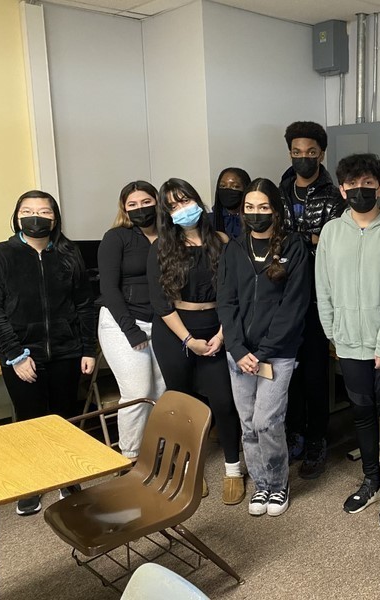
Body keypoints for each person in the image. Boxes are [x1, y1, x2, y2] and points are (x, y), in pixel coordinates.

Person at [0, 190, 96, 516]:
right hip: (21, 355)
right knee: (29, 422)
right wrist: (15, 354)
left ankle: (66, 477)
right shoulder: (1, 254)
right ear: (17, 217)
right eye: (28, 211)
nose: (36, 217)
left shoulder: (69, 253)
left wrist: (88, 349)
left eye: (44, 211)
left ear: (55, 218)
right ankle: (33, 482)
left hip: (66, 351)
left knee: (64, 418)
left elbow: (85, 305)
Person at [316, 153, 380, 529]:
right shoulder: (331, 232)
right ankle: (371, 479)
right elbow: (323, 286)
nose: (361, 190)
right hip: (348, 342)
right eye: (353, 185)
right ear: (342, 190)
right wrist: (333, 332)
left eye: (368, 184)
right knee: (361, 413)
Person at [147, 178, 244, 505]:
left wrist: (221, 335)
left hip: (217, 328)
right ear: (166, 213)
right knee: (183, 405)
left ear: (198, 201)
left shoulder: (223, 242)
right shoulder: (161, 248)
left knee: (224, 402)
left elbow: (235, 294)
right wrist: (189, 340)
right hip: (175, 332)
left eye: (185, 200)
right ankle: (190, 468)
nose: (182, 209)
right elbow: (161, 304)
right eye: (173, 205)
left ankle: (233, 469)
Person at [218, 178, 310, 517]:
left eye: (263, 207)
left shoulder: (294, 247)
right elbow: (226, 302)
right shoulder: (234, 249)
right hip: (239, 354)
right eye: (250, 207)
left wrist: (264, 351)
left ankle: (278, 482)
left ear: (276, 210)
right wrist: (237, 348)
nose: (256, 213)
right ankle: (261, 484)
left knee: (267, 421)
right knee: (247, 423)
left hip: (277, 353)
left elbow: (293, 306)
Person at [279, 121, 345, 479]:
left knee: (316, 375)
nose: (303, 158)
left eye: (310, 152)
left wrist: (299, 242)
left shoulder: (334, 197)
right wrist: (309, 240)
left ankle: (317, 439)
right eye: (296, 152)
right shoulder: (280, 191)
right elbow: (275, 238)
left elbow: (333, 246)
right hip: (284, 295)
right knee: (287, 372)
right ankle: (295, 434)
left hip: (319, 296)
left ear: (321, 154)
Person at [97, 181, 166, 461]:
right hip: (122, 323)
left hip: (161, 323)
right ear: (124, 209)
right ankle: (131, 457)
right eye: (133, 204)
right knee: (138, 391)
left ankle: (158, 452)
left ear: (157, 202)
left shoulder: (169, 236)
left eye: (146, 202)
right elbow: (109, 289)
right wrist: (131, 330)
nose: (140, 209)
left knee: (162, 391)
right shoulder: (116, 237)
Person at [212, 167, 251, 239]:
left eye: (235, 186)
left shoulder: (253, 220)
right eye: (223, 186)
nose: (228, 190)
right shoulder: (209, 220)